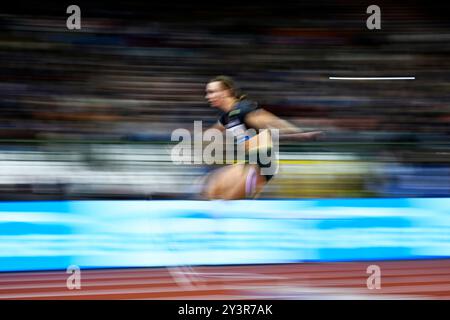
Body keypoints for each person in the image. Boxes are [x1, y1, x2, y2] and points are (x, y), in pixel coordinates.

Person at [200, 75, 323, 200]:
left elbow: (274, 122)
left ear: (226, 92)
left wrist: (300, 134)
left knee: (228, 199)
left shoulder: (244, 109)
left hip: (262, 163)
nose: (208, 96)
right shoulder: (226, 117)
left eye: (212, 92)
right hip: (248, 161)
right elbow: (213, 131)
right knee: (212, 189)